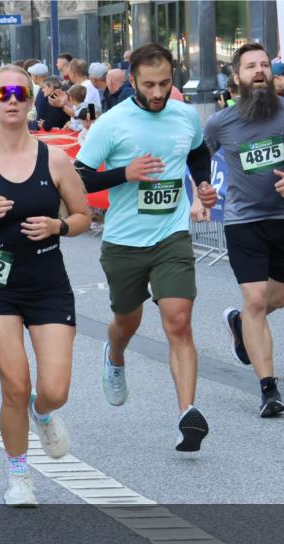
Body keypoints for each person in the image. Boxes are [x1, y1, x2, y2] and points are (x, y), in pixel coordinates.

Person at [0, 65, 92, 506]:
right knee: (13, 385)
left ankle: (43, 411)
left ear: (31, 101)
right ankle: (19, 475)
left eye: (20, 92)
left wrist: (59, 225)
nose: (12, 100)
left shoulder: (55, 159)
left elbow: (85, 217)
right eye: (2, 93)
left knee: (54, 389)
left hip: (48, 284)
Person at [73, 43, 218, 452]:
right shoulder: (113, 123)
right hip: (123, 243)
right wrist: (125, 173)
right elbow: (77, 179)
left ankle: (187, 414)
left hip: (171, 236)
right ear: (132, 81)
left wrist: (202, 185)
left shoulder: (184, 115)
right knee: (127, 322)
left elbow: (197, 153)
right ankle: (115, 355)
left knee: (179, 320)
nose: (157, 93)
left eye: (165, 83)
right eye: (149, 84)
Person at [204, 43, 284, 417]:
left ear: (272, 76)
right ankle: (268, 390)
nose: (258, 71)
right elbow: (197, 156)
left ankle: (240, 324)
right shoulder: (221, 122)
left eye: (264, 65)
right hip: (243, 221)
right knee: (257, 299)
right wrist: (201, 191)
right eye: (250, 66)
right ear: (237, 78)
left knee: (277, 300)